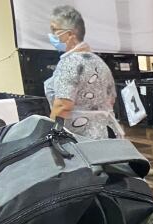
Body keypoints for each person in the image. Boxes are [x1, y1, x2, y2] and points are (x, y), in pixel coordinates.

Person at [45, 5, 122, 139]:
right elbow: (111, 100)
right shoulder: (98, 62)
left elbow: (63, 105)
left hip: (81, 137)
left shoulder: (69, 63)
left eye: (54, 30)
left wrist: (49, 134)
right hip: (107, 133)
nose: (51, 35)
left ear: (69, 34)